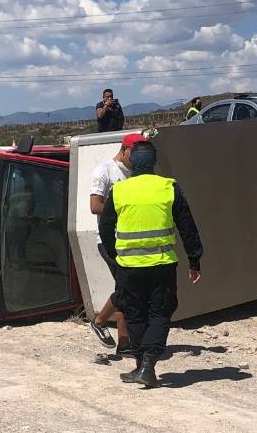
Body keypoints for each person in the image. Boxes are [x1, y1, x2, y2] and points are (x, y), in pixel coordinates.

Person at [99, 141, 203, 387]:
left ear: (132, 162)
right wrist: (194, 259)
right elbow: (187, 227)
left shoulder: (119, 190)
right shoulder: (168, 187)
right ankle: (147, 365)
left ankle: (140, 365)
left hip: (129, 267)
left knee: (134, 314)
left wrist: (115, 254)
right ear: (154, 162)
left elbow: (105, 226)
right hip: (161, 266)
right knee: (160, 312)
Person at [87, 132, 145, 353]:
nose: (138, 157)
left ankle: (124, 342)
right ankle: (100, 321)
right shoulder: (104, 170)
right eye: (135, 152)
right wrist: (125, 210)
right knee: (126, 288)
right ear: (124, 150)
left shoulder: (137, 173)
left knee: (125, 288)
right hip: (110, 240)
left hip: (131, 241)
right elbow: (95, 206)